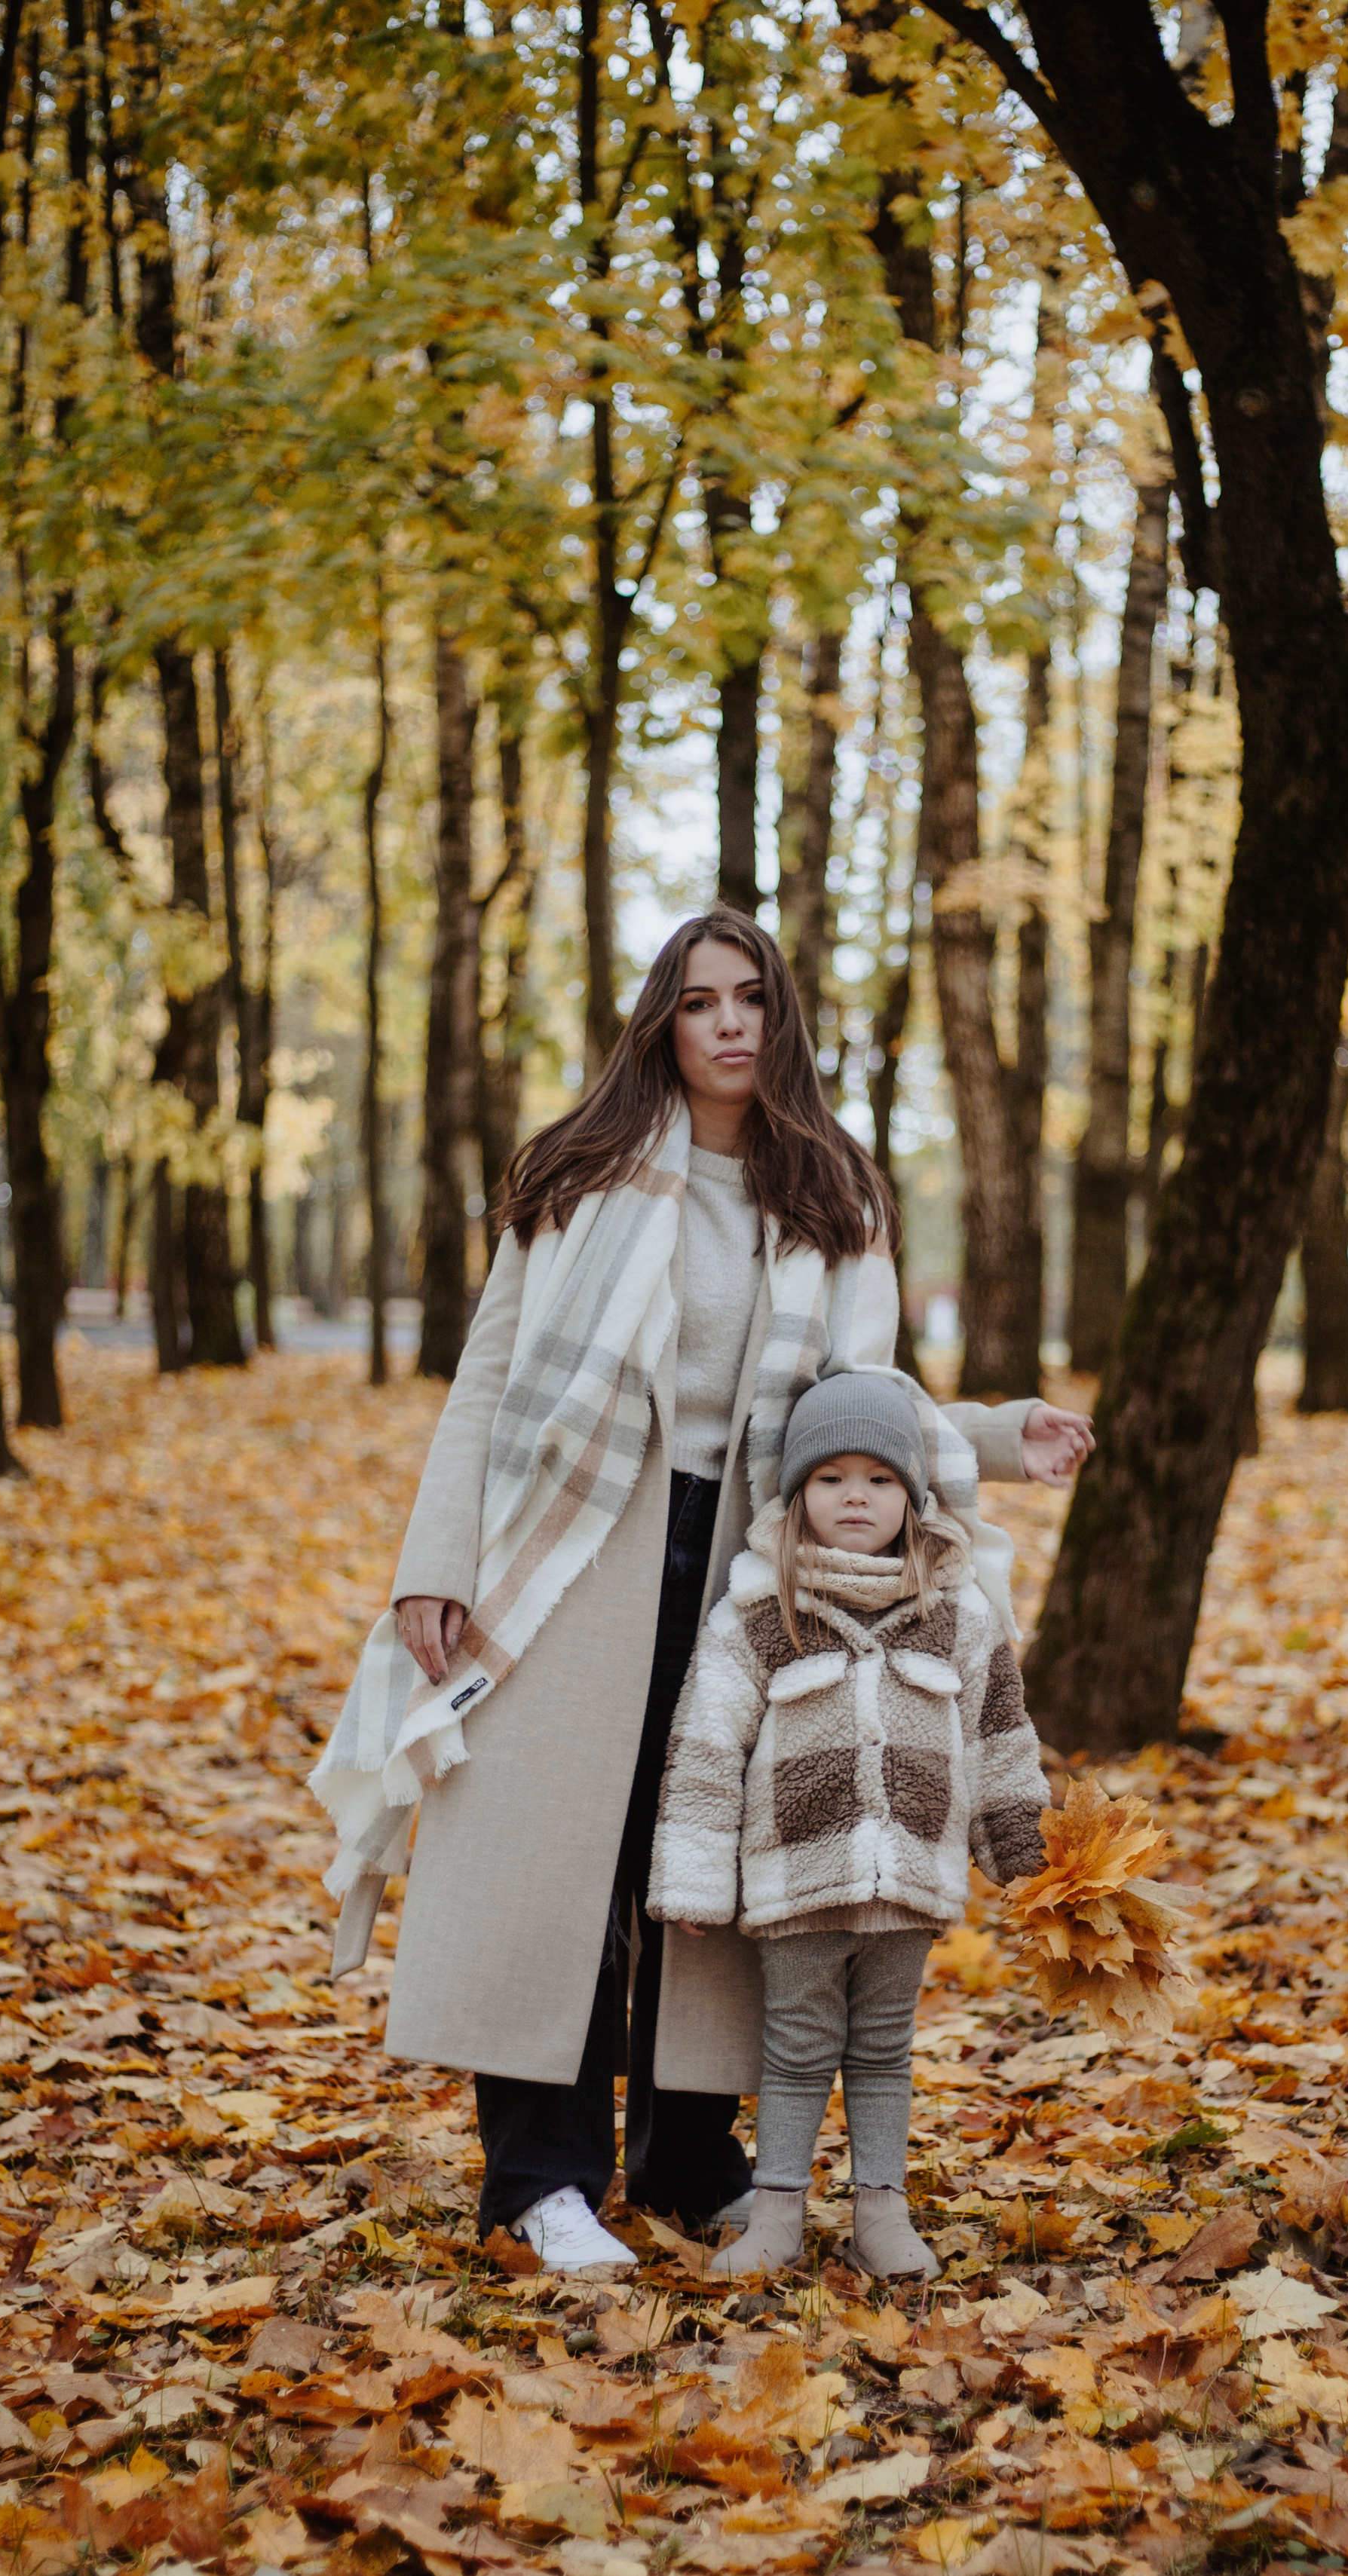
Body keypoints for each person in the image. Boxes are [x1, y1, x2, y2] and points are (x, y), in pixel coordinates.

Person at [317, 907, 1090, 2278]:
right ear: (661, 1024)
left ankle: (690, 2163)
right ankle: (540, 2182)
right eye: (697, 1002)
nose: (727, 1023)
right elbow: (486, 1379)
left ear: (781, 1019)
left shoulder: (835, 1200)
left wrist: (984, 1441)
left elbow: (858, 1411)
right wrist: (432, 1565)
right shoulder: (580, 1173)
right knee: (562, 1865)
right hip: (571, 1555)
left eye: (750, 999)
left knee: (720, 1866)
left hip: (753, 1566)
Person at [651, 1372, 1053, 2280]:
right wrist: (694, 1879)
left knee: (881, 2053)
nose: (855, 1497)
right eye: (830, 1479)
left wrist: (1025, 1853)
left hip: (909, 1883)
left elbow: (999, 1736)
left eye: (877, 1478)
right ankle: (778, 2217)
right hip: (797, 1882)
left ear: (911, 1497)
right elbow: (707, 1750)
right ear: (796, 1498)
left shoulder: (957, 1615)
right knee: (793, 2053)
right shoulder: (760, 1617)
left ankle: (882, 2214)